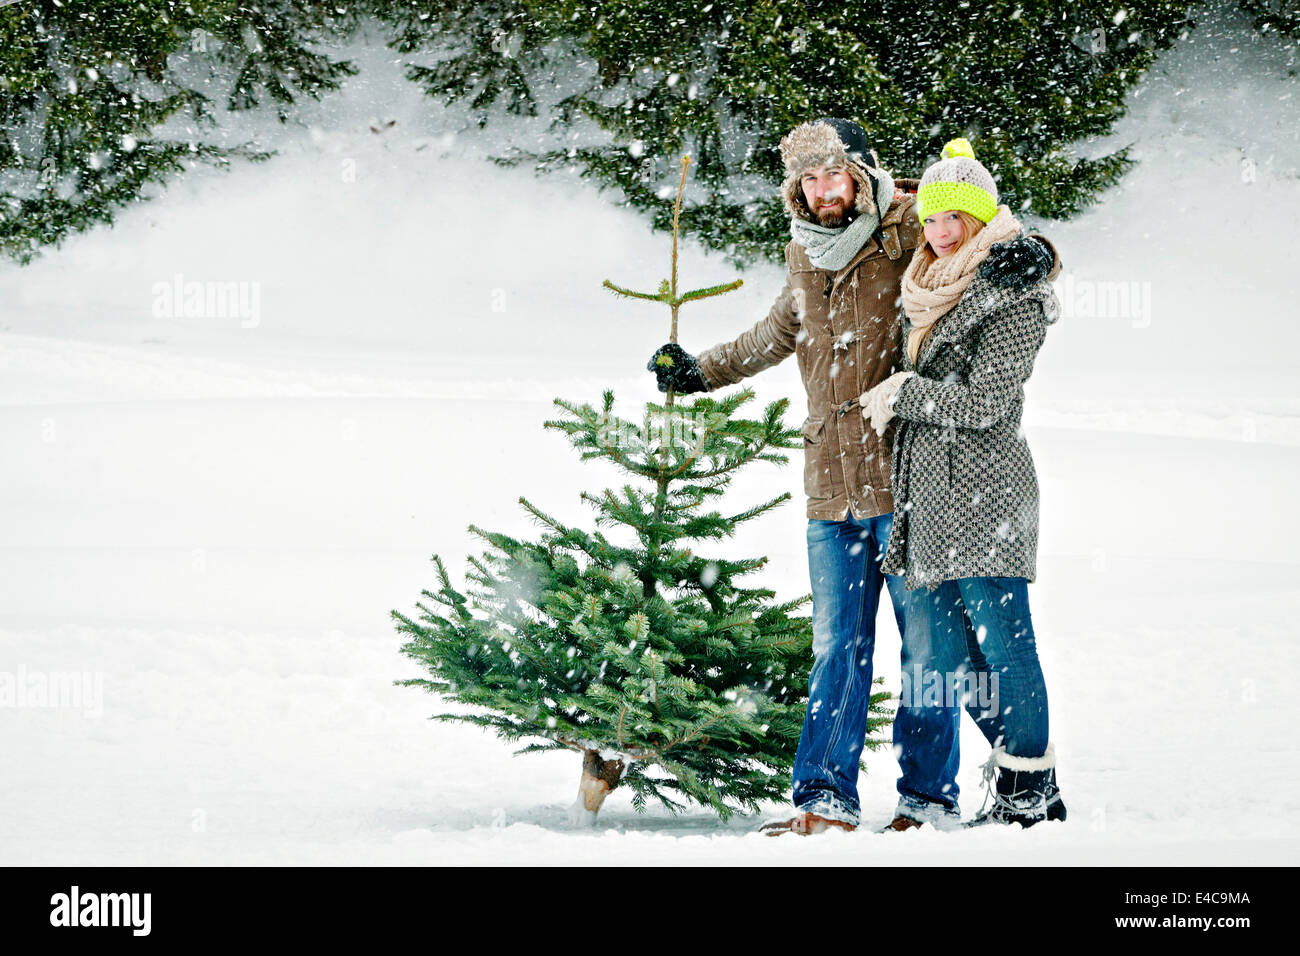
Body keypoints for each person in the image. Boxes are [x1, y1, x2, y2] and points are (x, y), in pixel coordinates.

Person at [646, 119, 1058, 834]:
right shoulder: (804, 254)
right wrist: (700, 371)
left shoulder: (903, 229)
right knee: (838, 647)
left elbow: (977, 241)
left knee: (930, 655)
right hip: (829, 487)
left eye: (833, 174)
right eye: (808, 179)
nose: (822, 189)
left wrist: (1041, 253)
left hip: (908, 485)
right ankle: (824, 799)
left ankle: (926, 800)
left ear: (862, 173)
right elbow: (775, 334)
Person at [860, 138, 1067, 827]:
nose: (940, 232)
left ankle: (1030, 789)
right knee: (951, 654)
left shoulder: (1012, 292)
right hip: (929, 494)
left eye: (955, 220)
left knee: (1006, 644)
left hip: (986, 492)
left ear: (981, 222)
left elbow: (984, 405)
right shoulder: (926, 280)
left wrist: (904, 393)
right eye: (931, 218)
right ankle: (1017, 773)